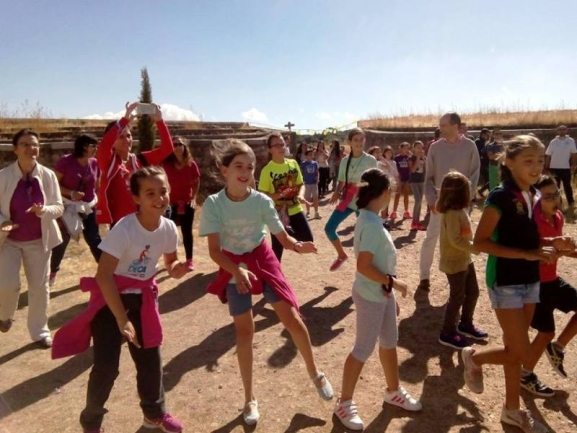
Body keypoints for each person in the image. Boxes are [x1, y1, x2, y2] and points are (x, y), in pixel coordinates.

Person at [199, 140, 334, 426]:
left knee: (293, 319)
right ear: (224, 170)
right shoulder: (213, 204)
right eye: (239, 166)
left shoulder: (262, 201)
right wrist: (236, 271)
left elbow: (281, 236)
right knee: (245, 332)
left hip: (262, 258)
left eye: (250, 167)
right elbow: (214, 251)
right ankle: (249, 398)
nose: (245, 172)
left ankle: (315, 373)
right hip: (233, 263)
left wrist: (297, 246)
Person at [53, 166, 189, 433]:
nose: (159, 198)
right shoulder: (125, 229)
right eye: (150, 193)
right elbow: (103, 275)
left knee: (150, 362)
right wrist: (122, 319)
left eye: (163, 191)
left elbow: (170, 263)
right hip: (110, 301)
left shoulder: (169, 228)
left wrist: (177, 269)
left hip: (143, 302)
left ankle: (154, 415)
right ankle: (91, 420)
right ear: (136, 198)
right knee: (106, 368)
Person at [462, 135, 571, 433]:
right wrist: (528, 254)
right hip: (505, 280)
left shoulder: (533, 194)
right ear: (509, 162)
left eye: (540, 160)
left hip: (530, 278)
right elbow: (480, 243)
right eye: (528, 161)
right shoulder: (499, 197)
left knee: (513, 348)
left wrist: (551, 241)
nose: (536, 167)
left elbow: (525, 237)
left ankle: (511, 411)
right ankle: (474, 357)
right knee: (521, 353)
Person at [333, 168, 422, 431]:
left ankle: (393, 391)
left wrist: (389, 293)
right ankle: (344, 403)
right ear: (384, 193)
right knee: (363, 348)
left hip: (381, 293)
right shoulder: (371, 224)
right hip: (371, 294)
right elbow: (363, 266)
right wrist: (394, 284)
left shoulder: (369, 218)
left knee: (389, 342)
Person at [0, 129, 63, 348]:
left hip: (39, 240)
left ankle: (40, 332)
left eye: (34, 144)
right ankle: (4, 315)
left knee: (39, 287)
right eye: (25, 144)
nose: (31, 148)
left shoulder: (48, 175)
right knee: (8, 284)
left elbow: (59, 207)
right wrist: (3, 223)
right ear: (15, 149)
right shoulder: (3, 176)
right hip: (9, 241)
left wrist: (44, 210)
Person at [520, 175, 577, 397]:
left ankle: (557, 347)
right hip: (536, 285)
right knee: (545, 332)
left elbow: (558, 251)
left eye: (556, 194)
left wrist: (571, 251)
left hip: (552, 279)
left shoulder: (558, 217)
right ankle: (525, 375)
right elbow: (531, 253)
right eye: (548, 197)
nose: (555, 199)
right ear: (535, 200)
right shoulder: (531, 222)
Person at [418, 112, 480, 292]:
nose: (441, 129)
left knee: (462, 239)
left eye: (444, 125)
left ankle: (462, 276)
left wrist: (467, 198)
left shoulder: (470, 146)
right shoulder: (435, 148)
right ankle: (424, 277)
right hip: (440, 202)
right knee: (431, 238)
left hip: (461, 203)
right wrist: (431, 200)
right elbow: (429, 177)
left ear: (456, 126)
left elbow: (475, 174)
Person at [96, 102, 174, 226]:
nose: (127, 140)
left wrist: (159, 121)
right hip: (119, 224)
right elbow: (104, 146)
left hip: (142, 221)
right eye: (121, 137)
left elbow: (167, 149)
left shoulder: (139, 160)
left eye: (129, 136)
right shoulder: (108, 162)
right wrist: (124, 120)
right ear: (112, 141)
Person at [436, 171, 487, 349]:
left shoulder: (459, 211)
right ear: (459, 193)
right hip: (454, 262)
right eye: (468, 189)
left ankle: (465, 324)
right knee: (457, 297)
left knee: (473, 292)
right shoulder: (452, 214)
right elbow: (455, 240)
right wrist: (476, 247)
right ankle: (447, 332)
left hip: (465, 259)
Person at [49, 134, 101, 287]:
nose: (96, 149)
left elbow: (97, 186)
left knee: (94, 239)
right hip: (68, 207)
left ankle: (106, 270)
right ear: (84, 147)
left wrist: (93, 202)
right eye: (93, 146)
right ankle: (52, 272)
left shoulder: (95, 163)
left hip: (89, 207)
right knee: (62, 240)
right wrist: (71, 193)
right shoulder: (65, 162)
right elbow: (53, 184)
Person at [325, 128, 377, 271]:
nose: (359, 143)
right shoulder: (345, 161)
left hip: (364, 203)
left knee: (366, 235)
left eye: (361, 140)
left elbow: (375, 182)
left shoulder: (371, 160)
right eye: (355, 140)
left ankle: (369, 265)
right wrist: (337, 192)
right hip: (348, 201)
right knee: (329, 228)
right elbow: (342, 181)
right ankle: (341, 255)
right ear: (350, 142)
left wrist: (358, 186)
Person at [258, 133, 313, 261]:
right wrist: (280, 194)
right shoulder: (267, 170)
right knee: (277, 250)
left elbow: (301, 184)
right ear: (270, 149)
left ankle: (285, 237)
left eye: (282, 144)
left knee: (308, 239)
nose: (281, 147)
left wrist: (300, 195)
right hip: (277, 214)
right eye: (276, 145)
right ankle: (272, 273)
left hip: (295, 208)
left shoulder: (293, 163)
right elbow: (262, 196)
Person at [162, 136, 200, 271]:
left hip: (187, 203)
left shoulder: (191, 164)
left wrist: (194, 198)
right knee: (168, 232)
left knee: (186, 231)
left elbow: (196, 182)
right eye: (174, 144)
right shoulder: (166, 165)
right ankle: (172, 259)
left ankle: (189, 260)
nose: (177, 147)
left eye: (180, 144)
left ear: (184, 147)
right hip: (170, 204)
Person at [545, 125, 577, 208]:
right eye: (560, 129)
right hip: (554, 168)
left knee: (567, 186)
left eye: (563, 129)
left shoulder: (570, 141)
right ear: (557, 131)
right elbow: (548, 155)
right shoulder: (553, 142)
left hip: (565, 168)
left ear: (567, 130)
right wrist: (547, 167)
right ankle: (558, 203)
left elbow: (574, 154)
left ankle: (571, 203)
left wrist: (573, 165)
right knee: (556, 187)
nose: (562, 131)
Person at [408, 141, 427, 231]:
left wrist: (424, 159)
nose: (420, 149)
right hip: (414, 181)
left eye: (421, 147)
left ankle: (417, 222)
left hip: (421, 181)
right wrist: (418, 158)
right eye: (418, 147)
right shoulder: (411, 158)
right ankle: (414, 222)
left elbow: (427, 169)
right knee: (418, 200)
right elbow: (412, 170)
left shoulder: (424, 158)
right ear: (414, 148)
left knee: (420, 202)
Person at [391, 142, 411, 220]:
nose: (406, 150)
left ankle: (406, 211)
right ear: (401, 148)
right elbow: (394, 167)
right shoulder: (397, 158)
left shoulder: (409, 157)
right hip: (399, 179)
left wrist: (411, 156)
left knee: (406, 195)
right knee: (397, 195)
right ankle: (394, 212)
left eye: (407, 148)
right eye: (405, 148)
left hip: (407, 178)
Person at [300, 150, 320, 218]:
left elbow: (317, 172)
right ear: (306, 156)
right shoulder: (303, 164)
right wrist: (302, 181)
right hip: (306, 183)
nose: (311, 156)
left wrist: (317, 178)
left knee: (315, 197)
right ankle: (308, 212)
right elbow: (301, 173)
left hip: (314, 183)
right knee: (307, 198)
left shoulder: (315, 163)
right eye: (310, 154)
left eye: (312, 154)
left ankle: (316, 212)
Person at [475, 128, 491, 198]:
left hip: (484, 164)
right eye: (487, 135)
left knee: (489, 180)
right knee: (489, 180)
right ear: (482, 134)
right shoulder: (478, 142)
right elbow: (479, 154)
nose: (488, 137)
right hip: (481, 164)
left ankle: (482, 191)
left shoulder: (483, 142)